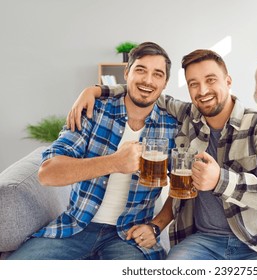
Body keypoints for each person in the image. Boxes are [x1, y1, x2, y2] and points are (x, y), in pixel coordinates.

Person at [67, 49, 257, 260]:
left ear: (228, 81)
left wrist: (221, 180)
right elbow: (147, 91)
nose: (203, 91)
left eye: (211, 80)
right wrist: (95, 90)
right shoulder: (189, 116)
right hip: (203, 242)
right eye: (193, 84)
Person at [7, 42, 179, 260]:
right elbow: (47, 173)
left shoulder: (172, 126)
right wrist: (115, 162)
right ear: (126, 73)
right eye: (140, 70)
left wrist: (156, 226)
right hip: (76, 226)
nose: (147, 80)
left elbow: (184, 185)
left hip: (130, 236)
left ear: (165, 83)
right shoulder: (93, 110)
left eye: (157, 74)